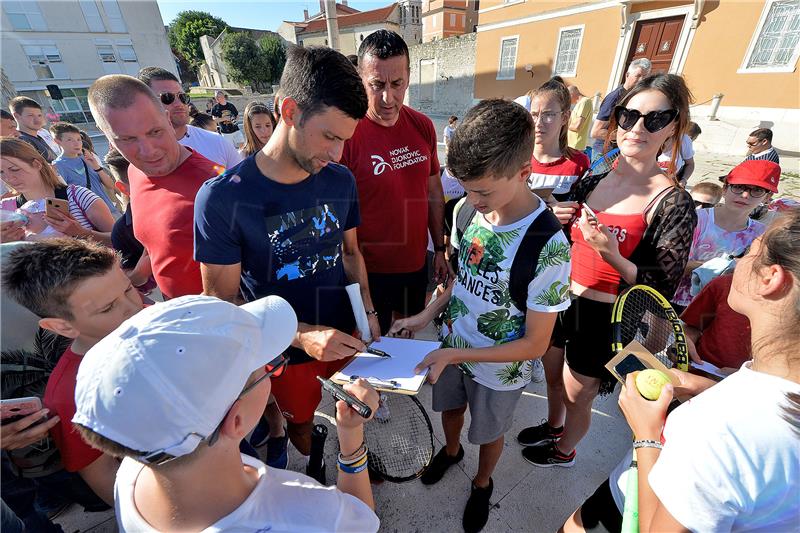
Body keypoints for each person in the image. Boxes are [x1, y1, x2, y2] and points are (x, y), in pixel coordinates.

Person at [194, 46, 381, 472]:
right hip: (283, 351)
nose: (336, 154)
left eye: (344, 141)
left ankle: (354, 460)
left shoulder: (340, 179)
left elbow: (351, 253)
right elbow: (222, 307)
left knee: (355, 415)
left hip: (347, 333)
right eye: (330, 137)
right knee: (301, 427)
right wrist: (302, 337)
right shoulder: (223, 198)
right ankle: (312, 450)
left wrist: (366, 310)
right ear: (290, 110)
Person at [390, 99, 571, 533]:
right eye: (465, 188)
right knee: (450, 410)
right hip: (452, 344)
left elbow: (536, 344)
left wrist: (449, 356)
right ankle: (451, 453)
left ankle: (483, 481)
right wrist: (424, 316)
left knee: (489, 431)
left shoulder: (549, 245)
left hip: (500, 369)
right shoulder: (466, 211)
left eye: (483, 191)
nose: (471, 200)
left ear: (524, 172)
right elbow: (459, 280)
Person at [564, 212, 800, 532]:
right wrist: (713, 388)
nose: (739, 261)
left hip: (629, 509)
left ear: (770, 278)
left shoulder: (721, 432)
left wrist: (646, 434)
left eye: (749, 252)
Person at [72, 295, 381, 532]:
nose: (271, 372)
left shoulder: (132, 472)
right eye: (264, 370)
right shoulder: (314, 516)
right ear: (236, 421)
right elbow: (362, 518)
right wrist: (351, 440)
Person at [519, 74, 697, 467]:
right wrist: (556, 218)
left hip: (603, 315)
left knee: (576, 393)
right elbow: (564, 240)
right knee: (552, 378)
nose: (636, 128)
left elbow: (661, 287)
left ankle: (564, 450)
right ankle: (553, 426)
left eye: (654, 119)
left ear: (672, 127)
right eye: (628, 115)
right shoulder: (593, 178)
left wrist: (612, 254)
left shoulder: (674, 202)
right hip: (561, 299)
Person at [2, 238, 145, 506]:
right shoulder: (69, 394)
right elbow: (103, 473)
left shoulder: (153, 318)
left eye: (129, 289)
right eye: (107, 308)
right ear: (62, 327)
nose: (133, 308)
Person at [340, 30, 448, 334]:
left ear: (409, 77)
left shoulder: (422, 126)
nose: (388, 97)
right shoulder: (347, 135)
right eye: (377, 85)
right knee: (374, 347)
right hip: (370, 272)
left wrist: (439, 248)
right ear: (361, 79)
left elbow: (433, 192)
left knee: (406, 337)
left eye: (397, 84)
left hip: (415, 265)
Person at [87, 74, 222, 299]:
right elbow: (156, 244)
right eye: (128, 139)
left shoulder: (216, 184)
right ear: (109, 139)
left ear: (168, 119)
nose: (148, 151)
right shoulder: (135, 172)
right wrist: (131, 283)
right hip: (177, 314)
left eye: (155, 132)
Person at [671, 159, 775, 311]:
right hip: (675, 300)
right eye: (739, 187)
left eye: (757, 190)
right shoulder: (693, 219)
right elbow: (671, 265)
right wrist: (722, 267)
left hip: (721, 307)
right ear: (725, 188)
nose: (745, 195)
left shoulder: (762, 234)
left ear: (767, 197)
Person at [0, 138, 114, 245]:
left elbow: (120, 239)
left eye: (14, 169)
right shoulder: (5, 210)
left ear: (37, 164)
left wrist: (83, 233)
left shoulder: (78, 196)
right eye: (1, 172)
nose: (9, 178)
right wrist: (5, 243)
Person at [138, 67, 241, 170]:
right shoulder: (140, 156)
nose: (179, 104)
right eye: (167, 97)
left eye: (182, 97)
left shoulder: (217, 142)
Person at [528, 78, 590, 203]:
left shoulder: (579, 163)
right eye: (534, 115)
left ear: (564, 117)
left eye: (548, 115)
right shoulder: (514, 158)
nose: (538, 123)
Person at [680, 273, 751, 374]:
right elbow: (692, 326)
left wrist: (748, 375)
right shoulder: (723, 284)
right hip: (695, 373)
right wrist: (684, 343)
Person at [50, 122, 121, 217]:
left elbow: (110, 186)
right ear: (58, 141)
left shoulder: (86, 158)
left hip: (110, 210)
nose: (77, 143)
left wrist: (96, 167)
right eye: (69, 140)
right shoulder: (58, 166)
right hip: (91, 217)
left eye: (79, 139)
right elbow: (64, 198)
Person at [590, 58, 652, 160]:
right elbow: (595, 132)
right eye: (638, 76)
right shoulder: (614, 98)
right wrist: (626, 135)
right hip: (604, 154)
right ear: (627, 75)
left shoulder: (634, 97)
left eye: (644, 77)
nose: (641, 80)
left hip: (620, 151)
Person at [8, 97, 57, 163]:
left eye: (39, 115)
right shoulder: (22, 141)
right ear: (16, 116)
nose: (37, 120)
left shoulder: (38, 137)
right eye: (30, 115)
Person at [657, 120, 699, 185]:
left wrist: (684, 180)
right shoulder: (649, 137)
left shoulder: (684, 140)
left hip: (670, 186)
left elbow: (690, 164)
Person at [567, 85, 593, 159]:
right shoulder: (580, 103)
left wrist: (564, 125)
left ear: (571, 94)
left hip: (575, 145)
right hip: (572, 144)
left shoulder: (585, 102)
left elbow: (577, 127)